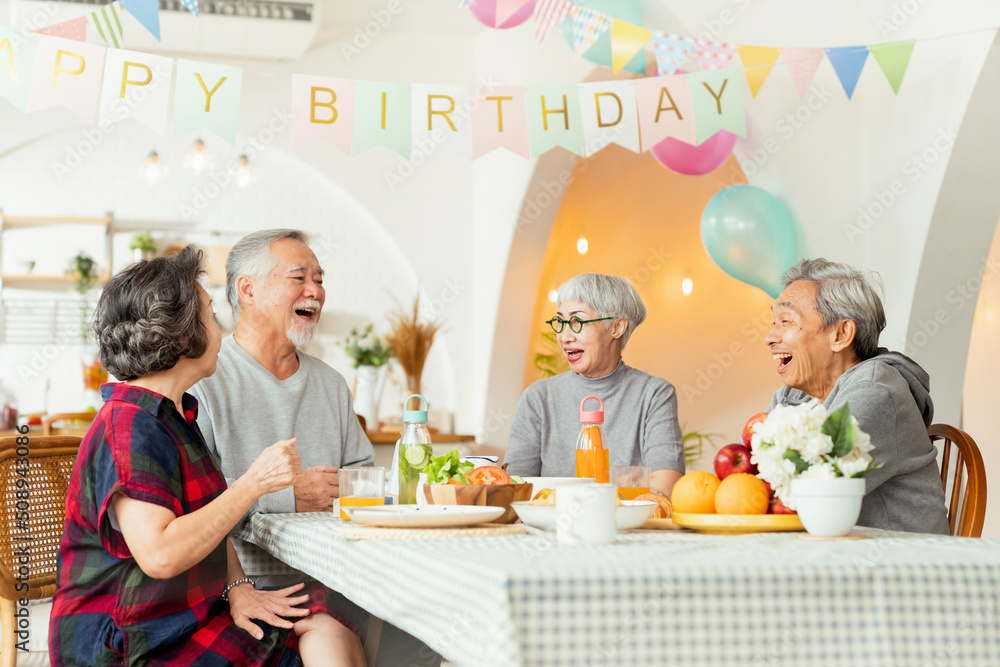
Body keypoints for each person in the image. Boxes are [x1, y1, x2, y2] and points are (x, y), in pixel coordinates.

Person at [49, 246, 366, 666]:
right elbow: (161, 554)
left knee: (329, 624)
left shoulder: (175, 413)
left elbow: (208, 518)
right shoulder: (130, 426)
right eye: (211, 315)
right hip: (127, 638)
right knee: (318, 638)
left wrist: (238, 588)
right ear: (180, 334)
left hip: (178, 615)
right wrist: (255, 483)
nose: (220, 327)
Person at [190, 229, 374, 516]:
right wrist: (288, 497)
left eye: (319, 280)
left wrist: (348, 490)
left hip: (328, 559)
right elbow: (192, 497)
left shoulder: (332, 384)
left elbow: (363, 477)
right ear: (248, 290)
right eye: (298, 278)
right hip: (238, 562)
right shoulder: (201, 380)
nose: (315, 291)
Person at [764, 258, 949, 534]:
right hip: (831, 557)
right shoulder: (794, 396)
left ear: (840, 334)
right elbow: (755, 479)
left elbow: (805, 492)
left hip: (901, 566)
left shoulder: (878, 392)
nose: (770, 336)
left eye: (786, 321)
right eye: (774, 321)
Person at [505, 273, 685, 496]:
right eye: (560, 322)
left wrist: (587, 490)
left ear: (617, 328)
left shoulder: (654, 395)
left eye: (577, 322)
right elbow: (516, 489)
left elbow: (664, 487)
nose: (564, 336)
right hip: (554, 527)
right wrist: (626, 479)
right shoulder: (538, 397)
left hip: (627, 529)